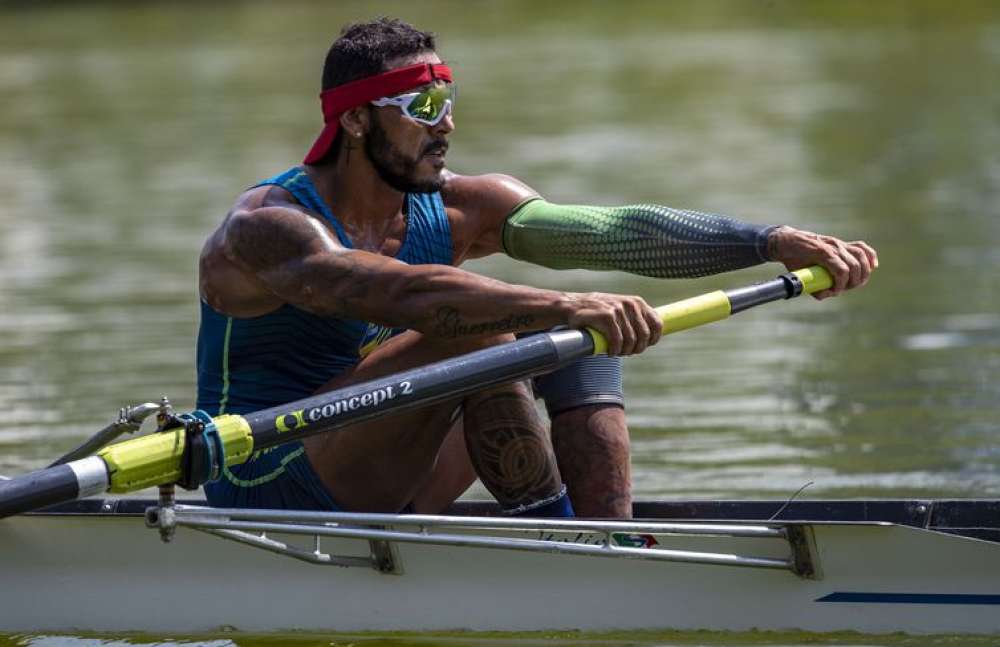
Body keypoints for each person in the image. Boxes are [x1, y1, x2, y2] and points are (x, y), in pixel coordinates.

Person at [196, 18, 876, 518]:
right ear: (353, 123)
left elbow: (614, 233)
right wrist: (554, 307)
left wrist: (770, 239)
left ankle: (608, 544)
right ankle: (554, 545)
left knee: (581, 331)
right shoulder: (265, 228)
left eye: (450, 103)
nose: (448, 127)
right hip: (267, 481)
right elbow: (388, 291)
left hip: (391, 466)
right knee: (493, 322)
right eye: (423, 109)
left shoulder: (464, 207)